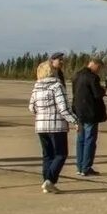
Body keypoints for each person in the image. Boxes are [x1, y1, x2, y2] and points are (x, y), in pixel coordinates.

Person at [29, 61, 77, 193]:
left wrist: (42, 114)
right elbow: (63, 108)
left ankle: (46, 182)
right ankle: (49, 180)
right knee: (61, 154)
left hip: (41, 126)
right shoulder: (57, 86)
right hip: (56, 126)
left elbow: (31, 108)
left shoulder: (36, 87)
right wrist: (75, 121)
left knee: (47, 155)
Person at [72, 57, 107, 176]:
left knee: (80, 140)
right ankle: (86, 167)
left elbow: (74, 93)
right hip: (90, 113)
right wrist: (102, 90)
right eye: (99, 68)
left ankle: (79, 166)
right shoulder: (92, 77)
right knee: (89, 140)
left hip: (79, 112)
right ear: (94, 65)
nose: (98, 70)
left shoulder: (76, 76)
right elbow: (97, 94)